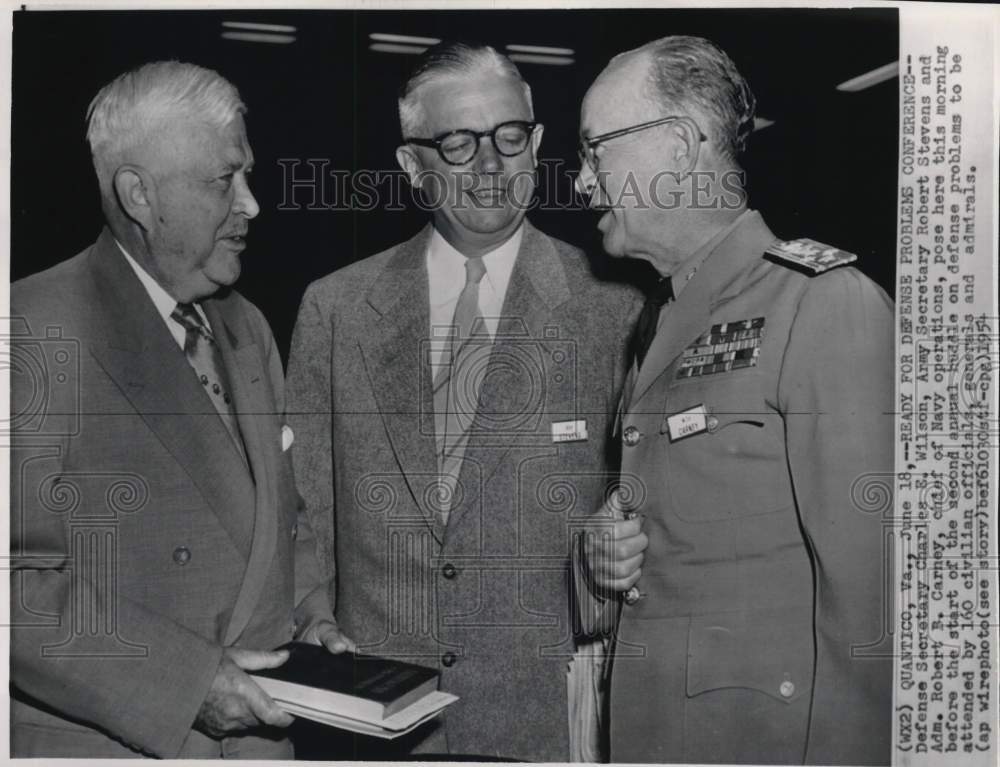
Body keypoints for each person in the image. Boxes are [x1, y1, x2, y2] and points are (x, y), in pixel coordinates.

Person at [285, 41, 637, 760]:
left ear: (537, 144)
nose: (490, 166)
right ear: (412, 165)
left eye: (511, 137)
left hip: (536, 722)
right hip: (375, 720)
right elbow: (304, 508)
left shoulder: (614, 310)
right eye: (457, 143)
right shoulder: (337, 308)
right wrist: (308, 611)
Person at [9, 61, 347, 759]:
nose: (252, 204)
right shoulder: (31, 329)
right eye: (226, 180)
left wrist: (311, 616)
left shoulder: (246, 324)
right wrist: (184, 683)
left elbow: (284, 517)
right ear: (138, 193)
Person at [575, 36, 893, 765]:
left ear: (682, 145)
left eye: (596, 151)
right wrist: (597, 562)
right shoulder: (655, 329)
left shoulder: (823, 306)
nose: (583, 182)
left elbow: (874, 620)